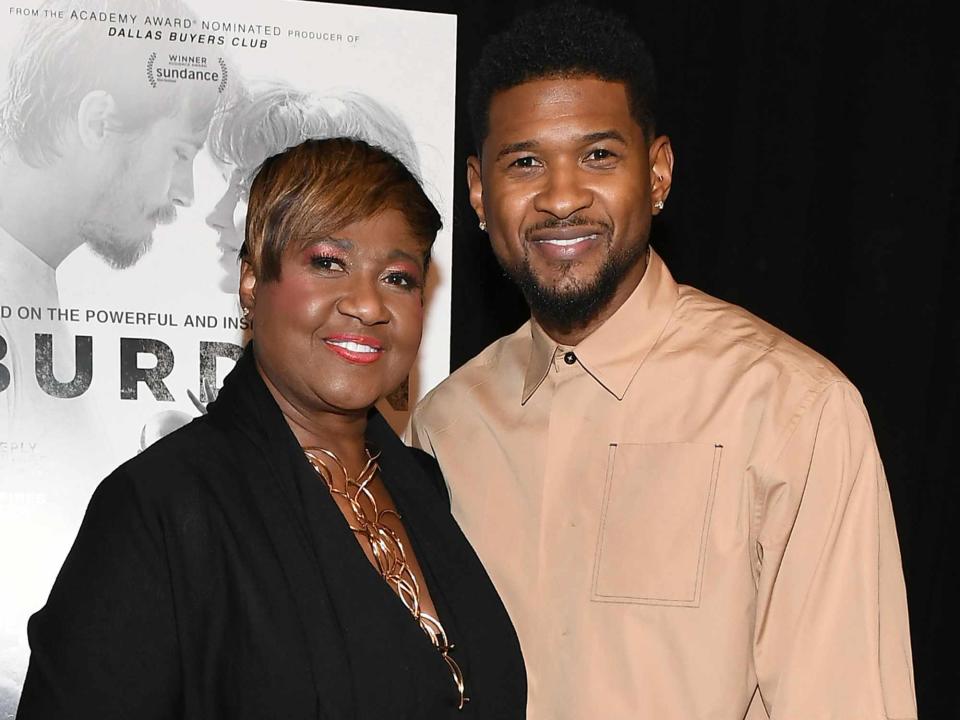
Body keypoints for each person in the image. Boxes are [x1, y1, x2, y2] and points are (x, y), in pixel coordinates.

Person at [409, 3, 917, 720]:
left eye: (599, 156)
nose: (561, 197)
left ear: (657, 174)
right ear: (479, 193)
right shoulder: (443, 428)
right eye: (525, 161)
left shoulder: (790, 410)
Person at [16, 138, 526, 719]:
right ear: (253, 282)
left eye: (398, 278)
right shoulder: (160, 508)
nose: (367, 304)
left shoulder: (425, 486)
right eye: (329, 263)